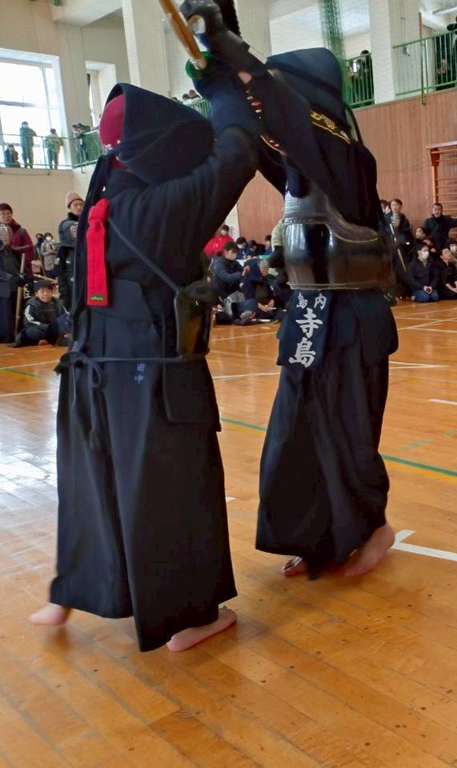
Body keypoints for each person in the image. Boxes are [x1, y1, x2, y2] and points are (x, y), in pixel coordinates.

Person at [27, 65, 262, 651]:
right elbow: (237, 154)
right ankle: (191, 616)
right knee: (172, 487)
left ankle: (76, 588)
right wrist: (225, 90)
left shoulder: (103, 199)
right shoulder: (161, 208)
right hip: (153, 377)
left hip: (92, 371)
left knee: (96, 482)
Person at [187, 6, 400, 580]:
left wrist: (231, 50)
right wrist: (219, 81)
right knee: (296, 434)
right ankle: (317, 538)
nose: (269, 104)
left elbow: (283, 114)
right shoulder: (300, 168)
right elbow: (251, 135)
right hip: (308, 316)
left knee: (349, 435)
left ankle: (373, 529)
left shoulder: (347, 158)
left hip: (351, 317)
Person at [0, 203, 35, 343]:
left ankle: (19, 333)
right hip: (4, 287)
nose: (5, 238)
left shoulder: (15, 252)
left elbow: (22, 266)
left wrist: (25, 276)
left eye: (8, 235)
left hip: (16, 286)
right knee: (5, 311)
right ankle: (7, 335)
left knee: (19, 308)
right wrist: (10, 278)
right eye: (2, 235)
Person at [11, 279, 68, 347]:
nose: (45, 294)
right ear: (36, 294)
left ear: (52, 292)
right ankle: (52, 339)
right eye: (42, 292)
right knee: (31, 332)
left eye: (48, 291)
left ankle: (51, 339)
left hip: (55, 329)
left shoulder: (59, 303)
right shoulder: (32, 304)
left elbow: (65, 317)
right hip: (41, 329)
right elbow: (29, 322)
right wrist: (48, 328)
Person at [57, 192, 84, 311]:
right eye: (75, 205)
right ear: (69, 207)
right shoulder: (66, 224)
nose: (79, 207)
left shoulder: (89, 221)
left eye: (81, 204)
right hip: (70, 263)